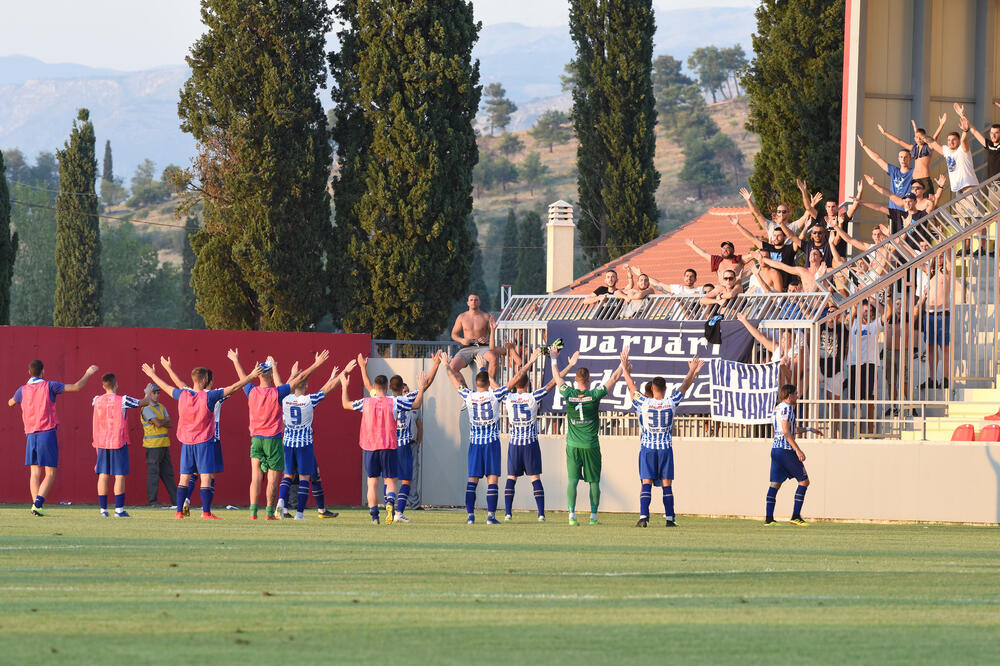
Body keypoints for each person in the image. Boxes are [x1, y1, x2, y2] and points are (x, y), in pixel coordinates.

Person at [141, 356, 262, 519]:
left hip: (187, 443)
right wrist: (252, 376)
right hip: (204, 442)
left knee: (184, 478)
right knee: (205, 477)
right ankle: (206, 512)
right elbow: (234, 387)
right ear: (205, 379)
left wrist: (154, 374)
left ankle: (179, 512)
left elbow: (168, 386)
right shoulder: (210, 396)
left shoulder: (184, 394)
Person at [234, 349, 329, 520]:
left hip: (256, 439)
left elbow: (242, 378)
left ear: (258, 375)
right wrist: (317, 364)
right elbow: (300, 379)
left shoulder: (252, 391)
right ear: (270, 375)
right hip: (273, 439)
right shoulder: (277, 393)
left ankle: (253, 513)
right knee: (272, 478)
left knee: (255, 476)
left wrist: (235, 360)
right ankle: (269, 513)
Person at [619, 347, 703, 528]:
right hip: (665, 449)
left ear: (652, 389)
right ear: (664, 389)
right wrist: (692, 370)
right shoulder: (670, 402)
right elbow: (685, 385)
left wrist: (625, 368)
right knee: (667, 484)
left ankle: (643, 517)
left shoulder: (643, 402)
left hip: (648, 448)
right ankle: (670, 519)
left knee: (646, 482)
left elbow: (631, 386)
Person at [356, 352, 442, 523]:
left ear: (389, 387)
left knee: (387, 481)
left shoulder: (383, 399)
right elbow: (427, 384)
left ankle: (386, 511)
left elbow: (368, 385)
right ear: (403, 387)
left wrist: (362, 368)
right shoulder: (406, 399)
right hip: (403, 445)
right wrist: (436, 365)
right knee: (406, 480)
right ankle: (398, 512)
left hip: (388, 444)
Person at [8, 359, 99, 516]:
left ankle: (36, 506)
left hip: (30, 434)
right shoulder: (49, 386)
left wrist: (18, 400)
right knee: (50, 472)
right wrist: (88, 373)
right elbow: (76, 387)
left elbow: (10, 403)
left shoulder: (22, 390)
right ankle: (37, 504)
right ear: (43, 371)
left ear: (29, 373)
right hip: (46, 432)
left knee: (35, 473)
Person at [503, 346, 579, 522]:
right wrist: (569, 366)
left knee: (511, 478)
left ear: (515, 384)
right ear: (528, 384)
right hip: (530, 444)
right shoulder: (532, 397)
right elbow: (553, 384)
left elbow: (491, 383)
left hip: (515, 444)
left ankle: (507, 513)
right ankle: (541, 514)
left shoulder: (507, 397)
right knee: (535, 478)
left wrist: (484, 368)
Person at [442, 348, 514, 525]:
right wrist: (483, 368)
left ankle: (470, 517)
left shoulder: (469, 395)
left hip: (475, 444)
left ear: (475, 383)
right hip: (491, 444)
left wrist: (446, 365)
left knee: (472, 480)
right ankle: (490, 517)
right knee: (492, 480)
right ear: (488, 383)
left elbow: (454, 381)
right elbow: (513, 381)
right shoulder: (494, 394)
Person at [342, 359, 414, 525]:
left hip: (370, 446)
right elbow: (415, 403)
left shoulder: (366, 402)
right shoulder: (394, 401)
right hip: (388, 445)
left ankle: (375, 517)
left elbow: (345, 404)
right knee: (391, 481)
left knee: (372, 483)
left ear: (374, 388)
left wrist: (345, 385)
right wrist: (422, 387)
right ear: (387, 387)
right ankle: (390, 502)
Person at [557, 353, 626, 526]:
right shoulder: (594, 395)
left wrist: (555, 359)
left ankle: (571, 516)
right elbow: (615, 377)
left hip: (572, 445)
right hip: (591, 445)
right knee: (593, 481)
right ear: (588, 380)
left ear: (575, 380)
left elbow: (556, 377)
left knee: (572, 481)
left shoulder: (568, 394)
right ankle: (593, 518)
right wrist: (622, 364)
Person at [280, 361, 352, 520]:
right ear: (305, 387)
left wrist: (331, 377)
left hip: (288, 443)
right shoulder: (308, 401)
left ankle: (285, 508)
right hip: (304, 444)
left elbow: (283, 386)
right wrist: (343, 373)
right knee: (306, 477)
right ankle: (300, 513)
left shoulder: (285, 399)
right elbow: (325, 391)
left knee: (290, 475)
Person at [90, 373, 150, 517]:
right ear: (116, 384)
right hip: (118, 441)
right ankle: (119, 510)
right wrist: (147, 391)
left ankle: (103, 510)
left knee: (103, 475)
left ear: (103, 386)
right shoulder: (122, 400)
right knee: (119, 476)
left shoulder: (96, 400)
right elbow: (144, 402)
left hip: (102, 443)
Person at [765, 384, 822, 526]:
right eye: (796, 394)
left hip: (776, 450)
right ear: (789, 395)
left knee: (775, 484)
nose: (797, 396)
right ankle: (795, 516)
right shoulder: (788, 408)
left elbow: (792, 429)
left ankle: (769, 519)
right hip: (786, 450)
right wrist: (797, 449)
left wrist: (809, 429)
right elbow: (786, 431)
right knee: (804, 481)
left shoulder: (777, 409)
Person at [857, 133, 914, 232]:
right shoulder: (894, 171)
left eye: (905, 157)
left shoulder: (913, 172)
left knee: (906, 239)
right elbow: (878, 159)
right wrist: (864, 146)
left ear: (910, 159)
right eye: (901, 157)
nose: (903, 159)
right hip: (892, 211)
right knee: (893, 238)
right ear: (898, 158)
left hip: (906, 211)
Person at [876, 115, 947, 193]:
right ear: (914, 138)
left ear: (925, 138)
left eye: (921, 137)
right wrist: (884, 133)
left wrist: (941, 124)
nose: (918, 139)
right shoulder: (914, 148)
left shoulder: (928, 146)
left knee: (928, 202)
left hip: (924, 179)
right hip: (915, 180)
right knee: (916, 203)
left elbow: (934, 138)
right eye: (916, 137)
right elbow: (899, 141)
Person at [735, 312, 806, 388]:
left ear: (792, 340)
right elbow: (760, 336)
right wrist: (744, 321)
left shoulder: (797, 355)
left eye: (786, 338)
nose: (783, 340)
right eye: (782, 337)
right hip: (772, 387)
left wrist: (782, 366)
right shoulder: (777, 348)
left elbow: (792, 380)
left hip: (786, 390)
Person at [845, 300, 885, 435]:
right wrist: (859, 298)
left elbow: (887, 313)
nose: (868, 313)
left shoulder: (875, 325)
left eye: (870, 311)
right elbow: (848, 317)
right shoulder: (853, 323)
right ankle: (858, 430)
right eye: (865, 310)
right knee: (855, 399)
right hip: (854, 364)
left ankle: (870, 431)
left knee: (869, 397)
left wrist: (873, 299)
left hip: (870, 364)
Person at [916, 250, 952, 391]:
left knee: (945, 348)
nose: (940, 258)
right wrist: (901, 242)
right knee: (931, 347)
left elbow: (949, 255)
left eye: (942, 256)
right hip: (929, 314)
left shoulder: (946, 272)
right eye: (937, 256)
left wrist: (943, 242)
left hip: (942, 314)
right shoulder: (928, 271)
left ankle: (946, 378)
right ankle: (932, 378)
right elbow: (915, 260)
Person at [729, 215, 798, 289]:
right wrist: (737, 225)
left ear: (784, 237)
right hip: (768, 287)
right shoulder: (767, 247)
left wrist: (805, 228)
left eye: (779, 235)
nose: (776, 238)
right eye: (774, 235)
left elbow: (796, 239)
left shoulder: (789, 249)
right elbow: (752, 238)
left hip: (785, 289)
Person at [927, 106, 978, 196]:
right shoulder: (947, 151)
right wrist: (941, 125)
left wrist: (964, 128)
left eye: (954, 139)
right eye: (949, 140)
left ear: (958, 140)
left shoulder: (963, 149)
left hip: (969, 188)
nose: (951, 142)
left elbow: (964, 140)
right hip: (958, 191)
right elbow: (932, 142)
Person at [141, 382, 177, 507]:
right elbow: (159, 424)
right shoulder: (146, 408)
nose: (157, 395)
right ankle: (153, 502)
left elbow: (170, 424)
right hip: (152, 447)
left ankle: (177, 502)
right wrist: (163, 421)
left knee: (168, 474)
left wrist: (162, 422)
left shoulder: (161, 407)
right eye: (154, 393)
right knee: (153, 475)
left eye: (158, 393)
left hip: (164, 445)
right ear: (148, 394)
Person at [450, 294, 498, 378]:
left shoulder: (486, 316)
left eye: (476, 300)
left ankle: (490, 385)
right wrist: (462, 340)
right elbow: (454, 335)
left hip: (482, 347)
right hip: (466, 348)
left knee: (494, 358)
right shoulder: (462, 317)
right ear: (467, 303)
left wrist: (486, 339)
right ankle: (465, 389)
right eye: (471, 300)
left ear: (479, 302)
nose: (473, 302)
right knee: (452, 367)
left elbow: (492, 334)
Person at [738, 186, 811, 238]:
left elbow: (805, 215)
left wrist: (806, 196)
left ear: (789, 214)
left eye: (784, 211)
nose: (781, 213)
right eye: (779, 211)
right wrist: (749, 200)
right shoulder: (770, 225)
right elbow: (757, 214)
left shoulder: (793, 226)